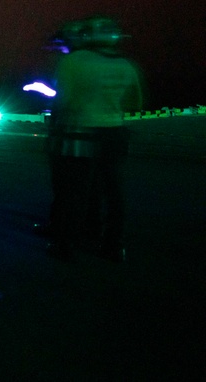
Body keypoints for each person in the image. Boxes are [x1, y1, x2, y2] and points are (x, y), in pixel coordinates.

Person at [45, 16, 143, 262]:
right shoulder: (126, 65)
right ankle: (113, 245)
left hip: (81, 132)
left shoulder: (73, 61)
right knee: (113, 191)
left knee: (75, 191)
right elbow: (135, 103)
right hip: (114, 133)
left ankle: (67, 245)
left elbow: (63, 101)